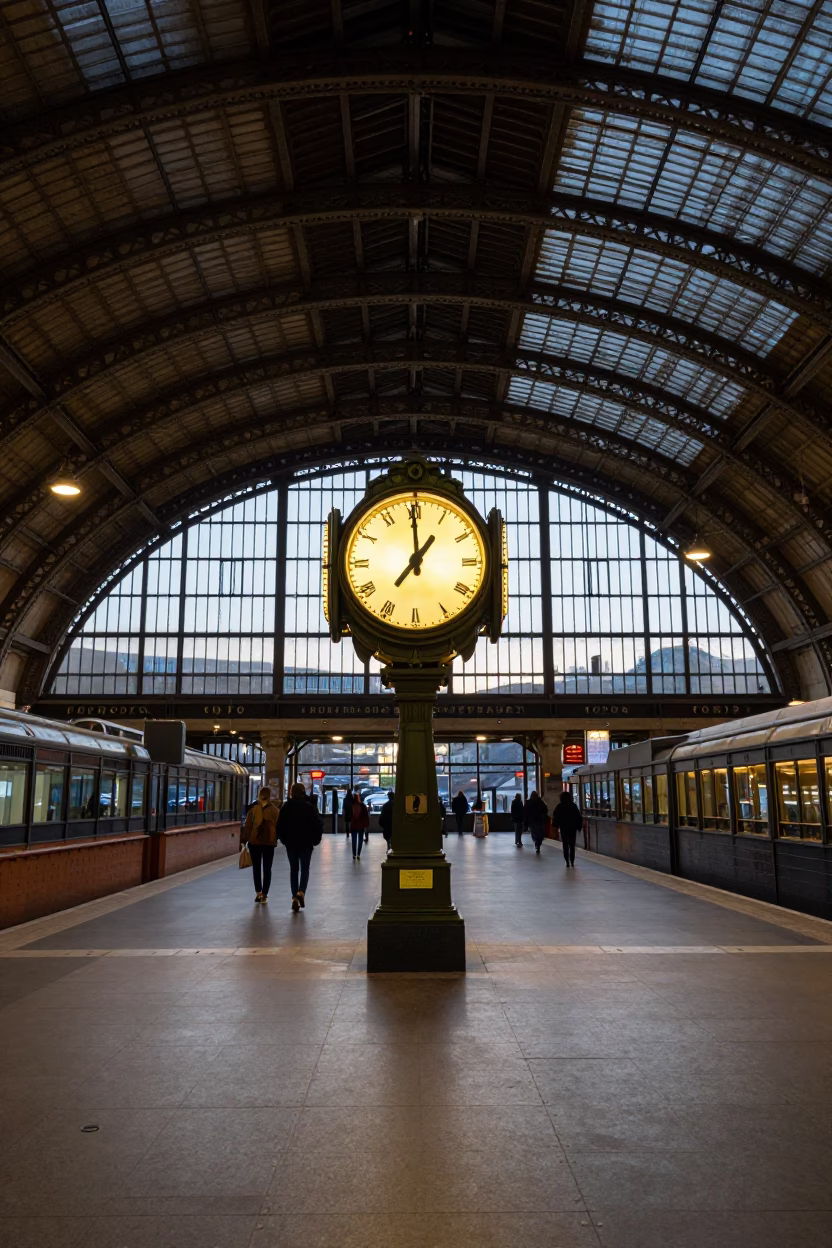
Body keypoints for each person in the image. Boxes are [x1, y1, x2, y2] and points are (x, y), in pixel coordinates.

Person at [277, 782, 323, 911]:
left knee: (294, 869)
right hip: (306, 842)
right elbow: (317, 824)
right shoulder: (309, 807)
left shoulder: (286, 807)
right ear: (303, 792)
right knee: (305, 868)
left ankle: (294, 897)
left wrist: (284, 840)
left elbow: (280, 825)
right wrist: (315, 840)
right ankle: (301, 891)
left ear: (291, 792)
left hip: (291, 843)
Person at [242, 785, 280, 903]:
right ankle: (265, 895)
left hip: (255, 843)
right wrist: (275, 839)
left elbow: (247, 828)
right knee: (267, 869)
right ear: (269, 797)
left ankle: (258, 893)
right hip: (269, 844)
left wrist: (243, 842)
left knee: (257, 868)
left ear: (259, 796)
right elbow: (279, 827)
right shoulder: (275, 811)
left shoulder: (253, 811)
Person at [552, 790, 583, 867]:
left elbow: (556, 817)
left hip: (564, 828)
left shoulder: (559, 806)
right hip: (572, 828)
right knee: (572, 844)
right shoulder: (573, 806)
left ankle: (567, 861)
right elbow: (579, 817)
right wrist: (579, 827)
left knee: (565, 844)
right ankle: (572, 860)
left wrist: (555, 826)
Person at [524, 789, 549, 854]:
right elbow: (545, 810)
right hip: (539, 819)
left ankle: (537, 843)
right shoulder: (540, 802)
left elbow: (525, 812)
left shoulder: (528, 803)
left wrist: (525, 821)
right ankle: (538, 843)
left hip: (532, 820)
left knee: (534, 832)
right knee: (540, 833)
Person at [350, 794, 370, 860]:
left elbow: (349, 815)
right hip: (361, 825)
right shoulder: (363, 806)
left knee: (354, 840)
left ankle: (354, 854)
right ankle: (358, 854)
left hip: (353, 825)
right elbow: (365, 816)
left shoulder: (351, 806)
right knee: (360, 840)